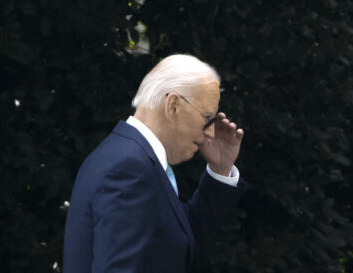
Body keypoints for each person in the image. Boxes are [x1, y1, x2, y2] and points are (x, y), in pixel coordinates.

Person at [63, 54, 246, 272]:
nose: (210, 133)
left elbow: (181, 240)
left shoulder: (128, 155)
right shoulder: (129, 167)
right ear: (173, 105)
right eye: (208, 119)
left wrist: (220, 170)